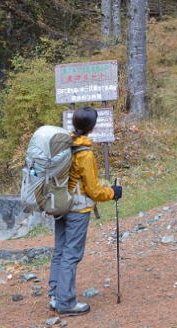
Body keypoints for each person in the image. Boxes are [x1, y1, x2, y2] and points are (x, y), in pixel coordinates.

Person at [48, 106, 122, 316]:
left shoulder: (63, 145)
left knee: (60, 251)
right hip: (78, 209)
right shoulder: (85, 153)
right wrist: (113, 192)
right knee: (72, 254)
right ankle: (66, 302)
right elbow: (93, 190)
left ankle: (55, 295)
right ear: (92, 126)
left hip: (60, 203)